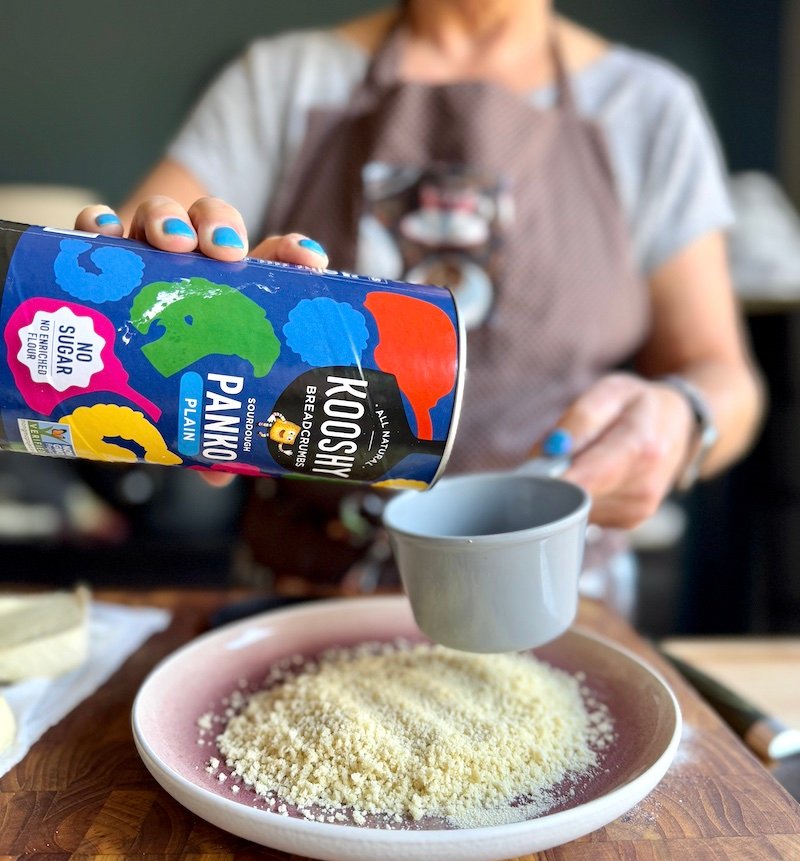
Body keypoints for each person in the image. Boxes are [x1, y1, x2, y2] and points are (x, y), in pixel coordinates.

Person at [73, 0, 765, 611]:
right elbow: (113, 303)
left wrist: (681, 420)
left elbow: (723, 376)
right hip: (302, 593)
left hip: (551, 602)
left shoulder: (648, 108)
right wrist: (140, 289)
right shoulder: (282, 81)